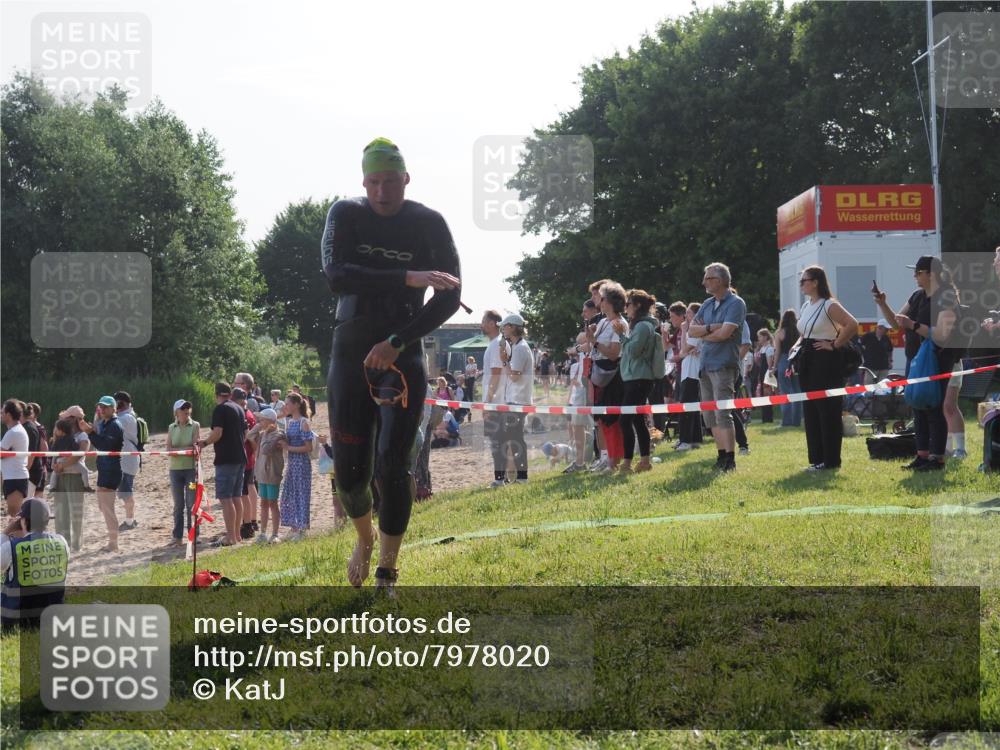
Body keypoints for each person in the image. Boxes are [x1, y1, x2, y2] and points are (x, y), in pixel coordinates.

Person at [322, 137, 461, 590]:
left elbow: (451, 295)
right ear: (365, 182)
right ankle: (362, 540)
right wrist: (406, 276)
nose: (383, 190)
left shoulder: (428, 222)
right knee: (350, 473)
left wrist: (398, 340)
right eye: (374, 182)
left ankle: (387, 566)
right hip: (349, 351)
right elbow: (337, 275)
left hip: (402, 352)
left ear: (406, 179)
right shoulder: (346, 213)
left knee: (393, 462)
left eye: (391, 181)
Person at [875, 256, 958, 471]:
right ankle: (921, 455)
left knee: (934, 407)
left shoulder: (947, 298)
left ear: (932, 274)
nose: (915, 275)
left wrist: (914, 325)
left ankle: (937, 458)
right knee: (917, 406)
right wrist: (883, 304)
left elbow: (941, 335)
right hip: (916, 359)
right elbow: (896, 322)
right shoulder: (917, 296)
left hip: (938, 360)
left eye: (918, 272)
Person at [792, 265, 859, 471]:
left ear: (816, 282)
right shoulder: (806, 306)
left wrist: (834, 344)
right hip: (808, 359)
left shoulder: (828, 304)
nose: (801, 284)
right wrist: (795, 348)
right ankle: (817, 460)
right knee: (810, 410)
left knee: (827, 411)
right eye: (801, 280)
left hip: (826, 360)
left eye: (804, 280)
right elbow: (804, 332)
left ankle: (831, 461)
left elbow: (852, 324)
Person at [687, 262, 747, 472]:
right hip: (705, 365)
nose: (704, 282)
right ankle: (721, 456)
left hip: (723, 365)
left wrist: (706, 334)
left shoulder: (736, 303)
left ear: (720, 281)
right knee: (709, 415)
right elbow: (691, 331)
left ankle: (730, 459)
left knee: (723, 413)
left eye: (708, 278)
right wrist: (712, 328)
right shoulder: (707, 303)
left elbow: (726, 334)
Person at [1, 498, 69, 630]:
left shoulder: (12, 547)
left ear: (24, 521)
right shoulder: (61, 542)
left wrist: (5, 533)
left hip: (18, 619)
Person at [613, 289, 661, 473]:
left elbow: (633, 351)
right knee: (638, 421)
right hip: (636, 377)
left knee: (625, 421)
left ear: (638, 305)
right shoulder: (640, 325)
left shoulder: (642, 326)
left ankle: (627, 462)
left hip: (639, 378)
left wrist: (621, 335)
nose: (625, 309)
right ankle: (644, 461)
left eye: (628, 304)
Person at [196, 382, 247, 546]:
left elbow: (217, 432)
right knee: (236, 497)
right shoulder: (239, 408)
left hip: (226, 458)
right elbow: (245, 433)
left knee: (226, 499)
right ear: (230, 393)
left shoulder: (221, 409)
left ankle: (230, 537)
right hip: (240, 457)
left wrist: (204, 443)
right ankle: (237, 534)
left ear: (216, 394)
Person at [585, 282, 628, 473]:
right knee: (602, 419)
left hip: (613, 376)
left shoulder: (620, 323)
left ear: (610, 302)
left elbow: (613, 353)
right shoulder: (602, 322)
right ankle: (607, 458)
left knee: (612, 419)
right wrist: (591, 337)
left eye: (601, 298)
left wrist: (594, 342)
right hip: (599, 375)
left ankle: (614, 461)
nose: (599, 302)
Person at [491, 313, 534, 486]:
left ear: (512, 327)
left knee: (507, 439)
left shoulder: (520, 348)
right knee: (509, 438)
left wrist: (504, 362)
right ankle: (513, 478)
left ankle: (512, 478)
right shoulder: (518, 347)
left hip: (517, 401)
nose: (502, 329)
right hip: (515, 400)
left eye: (505, 326)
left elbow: (514, 376)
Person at [80, 396, 125, 552]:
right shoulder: (104, 423)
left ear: (114, 408)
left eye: (106, 407)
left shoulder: (115, 425)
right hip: (104, 469)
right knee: (103, 506)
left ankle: (113, 543)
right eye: (101, 407)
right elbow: (101, 445)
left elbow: (105, 445)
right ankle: (112, 541)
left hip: (111, 470)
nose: (103, 409)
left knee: (107, 508)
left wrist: (90, 433)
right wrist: (91, 430)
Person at [46, 418, 87, 552]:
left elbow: (78, 456)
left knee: (76, 512)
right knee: (61, 511)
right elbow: (53, 454)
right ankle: (62, 543)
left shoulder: (82, 436)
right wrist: (56, 467)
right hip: (61, 476)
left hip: (74, 476)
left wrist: (61, 465)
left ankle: (76, 545)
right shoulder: (61, 438)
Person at [248, 408, 285, 544]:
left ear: (270, 421)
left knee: (273, 503)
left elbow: (265, 449)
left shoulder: (278, 434)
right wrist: (258, 427)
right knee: (263, 503)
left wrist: (267, 431)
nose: (260, 421)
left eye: (262, 419)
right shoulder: (263, 433)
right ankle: (263, 533)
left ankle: (275, 533)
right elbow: (250, 436)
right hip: (262, 474)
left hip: (272, 474)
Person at [166, 399, 200, 548]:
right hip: (175, 470)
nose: (186, 410)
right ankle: (177, 537)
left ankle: (194, 535)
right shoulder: (171, 427)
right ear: (176, 412)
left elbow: (194, 447)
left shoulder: (195, 425)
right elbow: (168, 450)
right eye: (183, 408)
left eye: (188, 407)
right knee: (178, 505)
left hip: (191, 470)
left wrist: (177, 450)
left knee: (191, 503)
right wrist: (181, 450)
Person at [675, 302, 704, 450]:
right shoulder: (692, 330)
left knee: (687, 405)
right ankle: (694, 439)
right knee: (692, 406)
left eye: (688, 312)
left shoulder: (694, 328)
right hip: (688, 371)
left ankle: (685, 440)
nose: (686, 316)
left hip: (693, 372)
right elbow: (682, 352)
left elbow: (684, 349)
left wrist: (685, 330)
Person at [231, 388, 259, 540]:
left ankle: (247, 525)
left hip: (245, 458)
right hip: (249, 457)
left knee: (243, 493)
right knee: (248, 489)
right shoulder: (248, 414)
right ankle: (250, 522)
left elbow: (248, 438)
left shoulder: (244, 415)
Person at [113, 391, 140, 532]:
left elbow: (108, 426)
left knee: (127, 492)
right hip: (126, 461)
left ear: (121, 403)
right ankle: (130, 519)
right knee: (125, 492)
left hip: (127, 462)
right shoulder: (126, 416)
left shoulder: (126, 418)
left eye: (115, 403)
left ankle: (130, 521)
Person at [564, 335, 591, 473]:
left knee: (593, 425)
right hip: (580, 392)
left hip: (589, 389)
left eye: (580, 344)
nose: (578, 347)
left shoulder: (590, 347)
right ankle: (580, 461)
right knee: (577, 425)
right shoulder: (577, 361)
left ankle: (602, 457)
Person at [774, 309, 803, 427]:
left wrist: (774, 366)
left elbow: (778, 351)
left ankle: (786, 421)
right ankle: (796, 421)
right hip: (797, 363)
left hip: (784, 363)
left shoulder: (780, 332)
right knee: (797, 390)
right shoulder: (799, 331)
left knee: (785, 391)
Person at [1, 400, 30, 517]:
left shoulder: (13, 432)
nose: (1, 415)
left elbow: (1, 453)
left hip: (16, 477)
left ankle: (21, 535)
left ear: (8, 415)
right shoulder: (14, 431)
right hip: (12, 476)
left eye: (2, 412)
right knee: (14, 515)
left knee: (16, 515)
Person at [25, 404, 48, 498]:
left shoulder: (38, 428)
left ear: (35, 414)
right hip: (34, 463)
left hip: (38, 464)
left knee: (38, 492)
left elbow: (45, 448)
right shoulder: (29, 427)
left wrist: (44, 464)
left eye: (30, 411)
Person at [860, 319, 894, 384]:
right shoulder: (868, 336)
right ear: (879, 327)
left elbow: (890, 350)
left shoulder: (886, 338)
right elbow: (859, 348)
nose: (887, 330)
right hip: (870, 367)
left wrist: (890, 361)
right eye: (886, 328)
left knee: (883, 388)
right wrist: (861, 361)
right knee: (868, 387)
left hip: (884, 367)